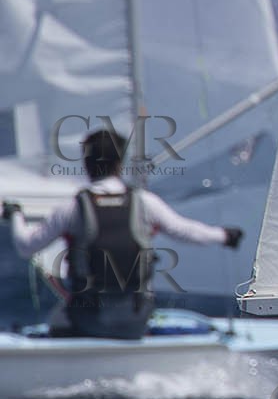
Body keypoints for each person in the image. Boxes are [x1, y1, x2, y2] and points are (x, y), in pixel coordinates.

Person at [2, 128, 245, 340]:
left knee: (54, 321)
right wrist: (224, 235)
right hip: (135, 321)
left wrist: (15, 215)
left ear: (86, 164)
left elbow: (26, 246)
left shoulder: (73, 208)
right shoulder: (145, 203)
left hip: (87, 319)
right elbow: (185, 231)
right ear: (120, 163)